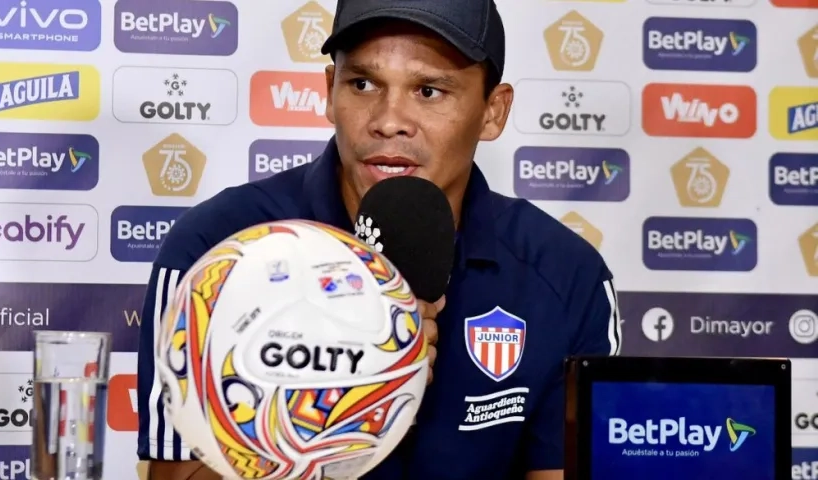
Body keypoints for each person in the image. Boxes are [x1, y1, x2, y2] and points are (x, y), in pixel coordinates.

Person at [136, 0, 622, 478]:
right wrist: (324, 398)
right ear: (329, 92)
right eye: (363, 84)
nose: (389, 120)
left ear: (493, 111)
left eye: (429, 90)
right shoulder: (217, 250)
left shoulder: (565, 274)